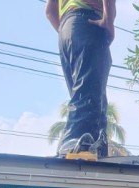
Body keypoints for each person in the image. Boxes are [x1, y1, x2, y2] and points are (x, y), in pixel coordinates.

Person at [45, 0, 115, 157]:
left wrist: (68, 31)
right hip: (89, 22)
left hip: (66, 30)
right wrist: (108, 21)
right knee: (89, 96)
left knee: (86, 96)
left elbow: (49, 11)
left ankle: (94, 151)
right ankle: (75, 144)